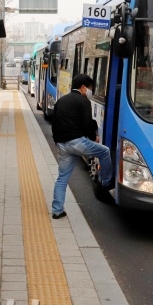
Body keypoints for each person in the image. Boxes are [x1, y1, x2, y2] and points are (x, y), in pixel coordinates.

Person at [51, 74, 113, 219]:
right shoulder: (83, 101)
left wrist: (58, 141)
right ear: (83, 87)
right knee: (105, 152)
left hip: (62, 144)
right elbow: (87, 123)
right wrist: (94, 136)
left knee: (62, 178)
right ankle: (106, 182)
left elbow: (55, 123)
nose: (90, 91)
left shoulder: (61, 101)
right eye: (90, 88)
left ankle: (57, 210)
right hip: (77, 143)